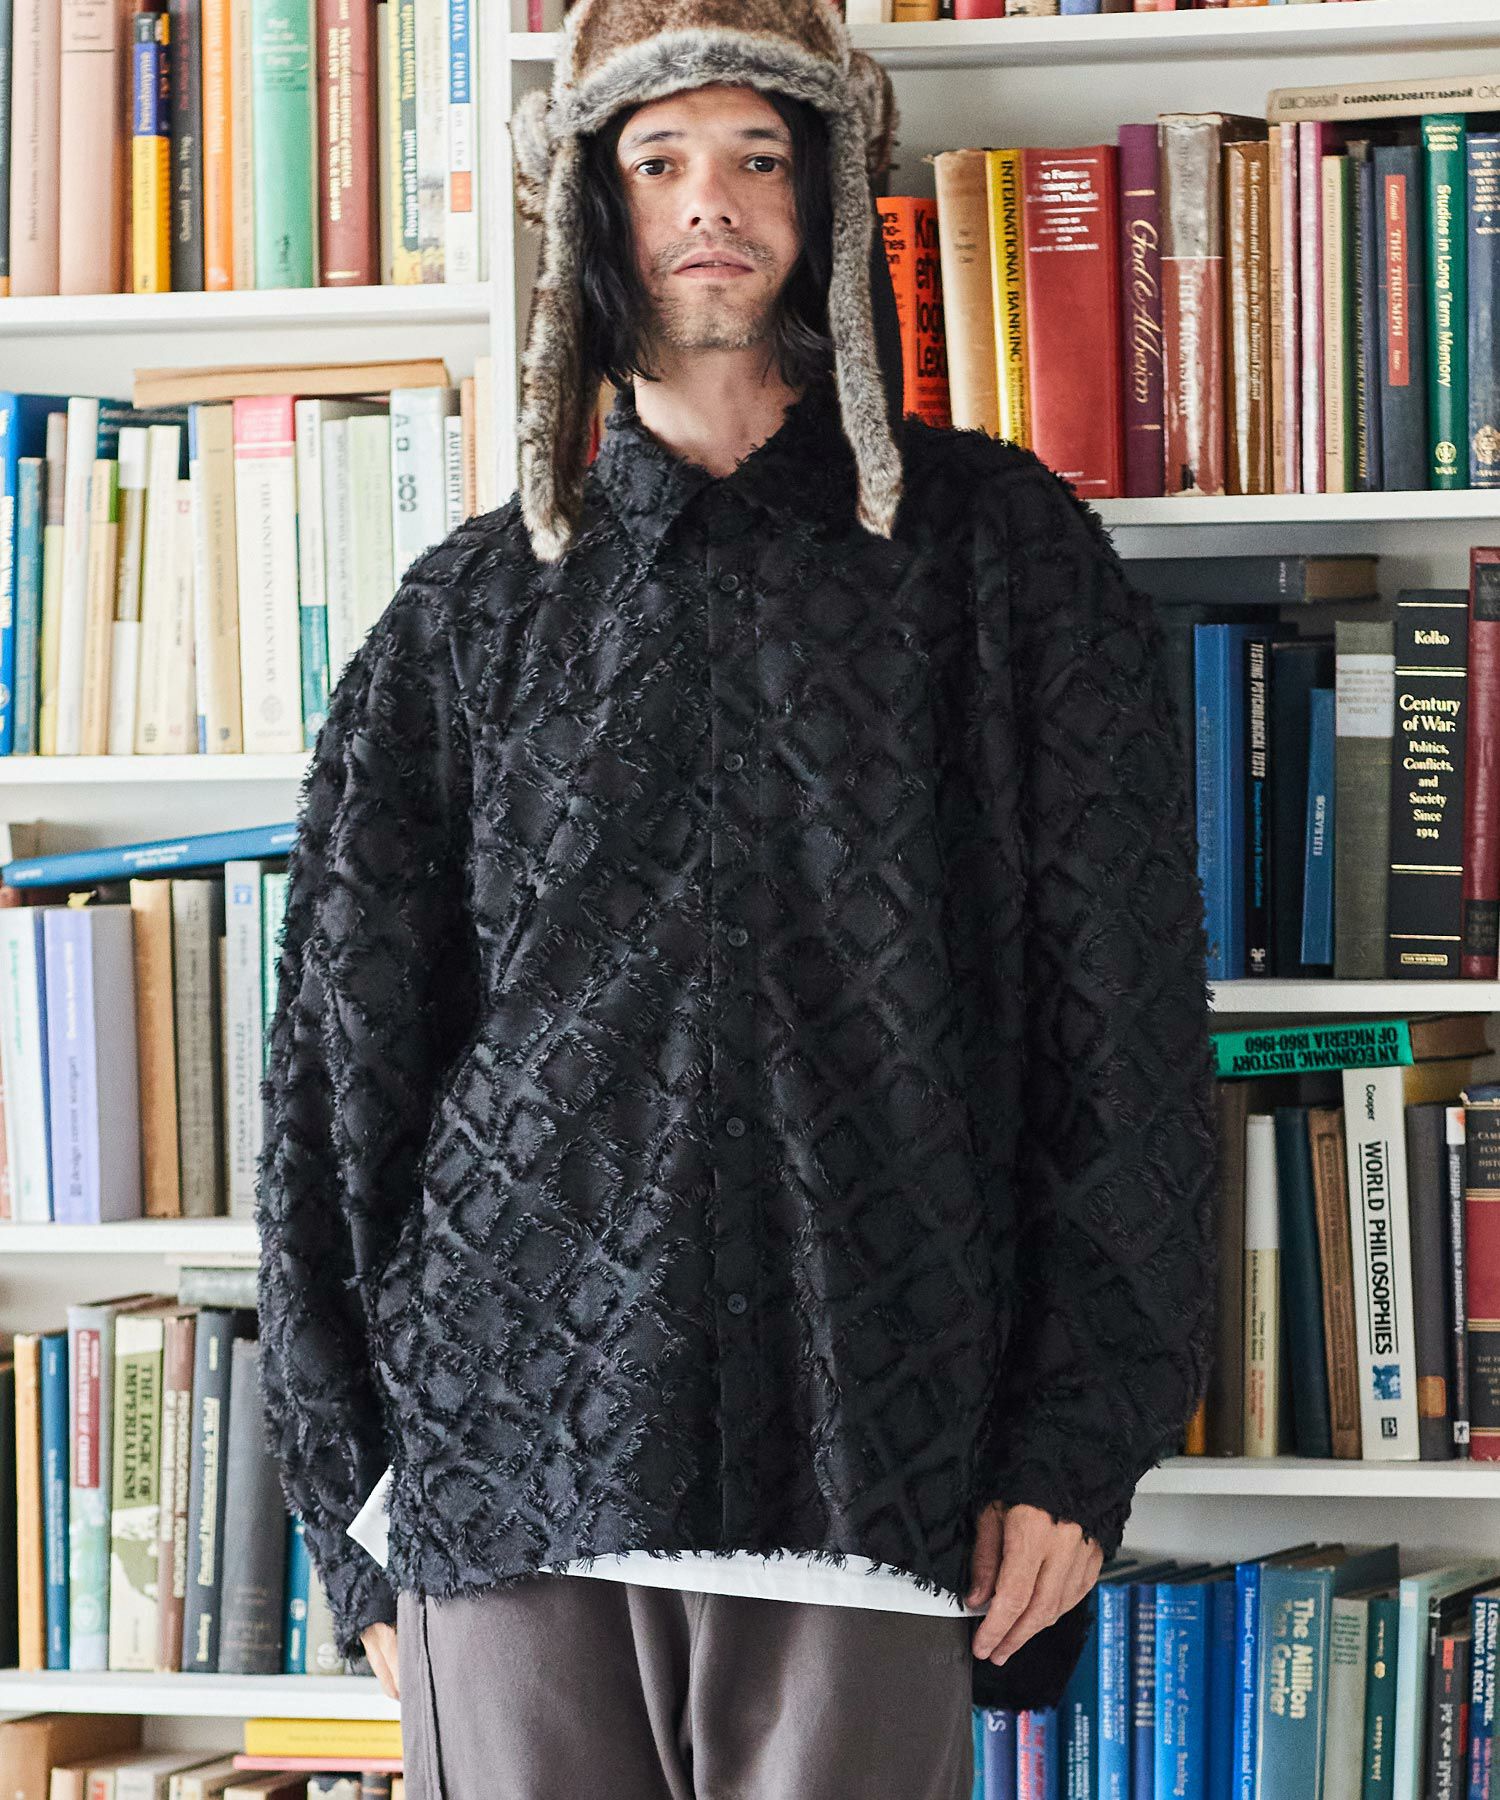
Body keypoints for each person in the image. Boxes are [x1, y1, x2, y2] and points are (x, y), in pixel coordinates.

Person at [255, 1, 1220, 1795]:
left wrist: (1078, 1444)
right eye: (659, 159)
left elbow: (1135, 1030)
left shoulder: (1003, 561)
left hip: (879, 1450)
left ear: (828, 194)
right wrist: (350, 1508)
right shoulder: (465, 617)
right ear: (591, 211)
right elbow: (335, 1082)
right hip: (507, 1480)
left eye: (760, 155)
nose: (711, 200)